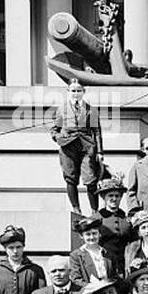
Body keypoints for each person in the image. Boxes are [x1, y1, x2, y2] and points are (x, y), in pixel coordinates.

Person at [49, 77, 102, 214]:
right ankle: (76, 209)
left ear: (83, 92)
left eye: (79, 90)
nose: (76, 93)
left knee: (90, 179)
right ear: (68, 91)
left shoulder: (91, 110)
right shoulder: (61, 109)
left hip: (86, 146)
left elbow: (96, 131)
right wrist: (59, 137)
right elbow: (54, 129)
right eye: (73, 90)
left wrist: (100, 152)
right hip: (68, 146)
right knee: (71, 178)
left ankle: (94, 211)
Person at [0, 225, 46, 294]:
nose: (15, 251)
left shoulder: (36, 270)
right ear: (5, 249)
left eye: (18, 247)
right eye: (11, 248)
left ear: (23, 247)